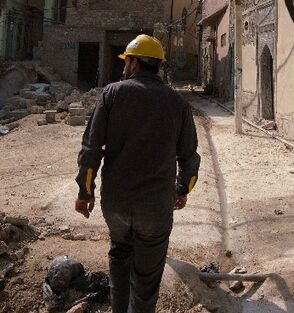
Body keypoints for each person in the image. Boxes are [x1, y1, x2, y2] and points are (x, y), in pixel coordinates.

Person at [74, 34, 200, 313]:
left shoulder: (112, 94)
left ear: (134, 63)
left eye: (125, 61)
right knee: (146, 280)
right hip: (155, 207)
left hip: (116, 203)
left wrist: (85, 191)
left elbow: (91, 149)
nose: (123, 67)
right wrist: (182, 190)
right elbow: (189, 158)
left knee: (120, 255)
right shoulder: (178, 103)